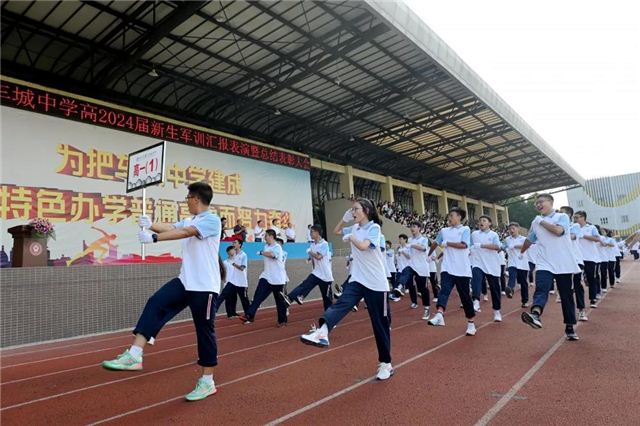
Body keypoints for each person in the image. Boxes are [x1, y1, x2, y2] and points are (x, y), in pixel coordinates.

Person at [101, 182, 222, 401]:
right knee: (156, 302)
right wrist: (151, 225)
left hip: (205, 287)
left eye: (187, 197)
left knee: (204, 331)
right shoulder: (192, 219)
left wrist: (154, 239)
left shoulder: (211, 220)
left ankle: (207, 381)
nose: (186, 201)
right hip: (186, 281)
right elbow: (174, 228)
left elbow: (186, 232)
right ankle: (134, 355)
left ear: (196, 199)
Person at [300, 198, 394, 380]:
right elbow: (335, 231)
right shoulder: (354, 227)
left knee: (380, 325)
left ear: (366, 210)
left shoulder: (374, 228)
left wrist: (351, 237)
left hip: (376, 283)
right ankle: (323, 332)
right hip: (358, 279)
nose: (352, 212)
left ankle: (386, 364)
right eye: (351, 210)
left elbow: (364, 246)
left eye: (355, 209)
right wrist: (344, 220)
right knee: (342, 303)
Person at [520, 194, 580, 341]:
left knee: (566, 295)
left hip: (563, 262)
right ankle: (535, 314)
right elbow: (530, 238)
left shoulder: (562, 217)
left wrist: (541, 221)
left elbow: (559, 231)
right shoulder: (535, 221)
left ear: (551, 202)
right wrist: (521, 252)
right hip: (544, 262)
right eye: (536, 203)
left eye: (541, 202)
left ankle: (570, 326)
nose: (538, 205)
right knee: (542, 288)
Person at [427, 207, 476, 336]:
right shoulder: (443, 231)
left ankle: (471, 323)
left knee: (465, 297)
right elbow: (436, 243)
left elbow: (464, 245)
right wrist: (429, 254)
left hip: (462, 269)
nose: (449, 218)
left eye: (452, 215)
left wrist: (448, 243)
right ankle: (439, 314)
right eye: (449, 215)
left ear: (459, 217)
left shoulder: (465, 229)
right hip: (447, 267)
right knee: (444, 290)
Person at [239, 229, 288, 326]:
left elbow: (273, 255)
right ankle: (249, 315)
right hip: (266, 276)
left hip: (277, 279)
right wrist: (263, 251)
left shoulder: (277, 247)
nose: (264, 237)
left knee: (279, 301)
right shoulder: (266, 246)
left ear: (271, 236)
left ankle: (282, 321)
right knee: (258, 296)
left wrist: (262, 252)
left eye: (265, 236)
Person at [282, 225, 334, 310]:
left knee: (327, 299)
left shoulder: (324, 244)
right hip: (316, 273)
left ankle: (330, 319)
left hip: (326, 276)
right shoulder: (312, 245)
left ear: (317, 233)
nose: (310, 234)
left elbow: (319, 257)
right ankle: (289, 298)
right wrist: (310, 260)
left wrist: (310, 252)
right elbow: (313, 259)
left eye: (311, 232)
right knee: (304, 285)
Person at [393, 222, 431, 319]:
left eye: (414, 227)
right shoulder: (409, 240)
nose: (412, 228)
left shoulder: (424, 239)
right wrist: (403, 251)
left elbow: (423, 249)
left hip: (421, 267)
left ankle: (427, 308)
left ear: (419, 228)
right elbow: (409, 255)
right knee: (406, 271)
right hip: (412, 265)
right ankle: (400, 286)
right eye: (411, 227)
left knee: (423, 289)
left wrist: (412, 245)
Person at [469, 216, 503, 322]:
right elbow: (470, 245)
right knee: (476, 279)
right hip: (477, 262)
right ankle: (476, 301)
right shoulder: (474, 234)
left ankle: (497, 311)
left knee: (494, 288)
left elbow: (497, 247)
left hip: (491, 264)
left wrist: (482, 245)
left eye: (484, 221)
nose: (481, 222)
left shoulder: (493, 234)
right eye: (480, 221)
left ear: (489, 223)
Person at [560, 206, 587, 321]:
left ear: (570, 215)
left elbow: (573, 236)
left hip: (576, 261)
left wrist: (558, 233)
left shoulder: (574, 226)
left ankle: (581, 310)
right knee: (567, 289)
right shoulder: (557, 227)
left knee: (576, 284)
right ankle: (570, 320)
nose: (559, 215)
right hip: (563, 261)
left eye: (563, 213)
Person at [574, 211, 602, 308]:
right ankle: (580, 305)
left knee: (591, 278)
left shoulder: (591, 228)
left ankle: (593, 298)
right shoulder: (574, 228)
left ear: (583, 217)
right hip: (578, 258)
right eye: (574, 217)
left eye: (577, 217)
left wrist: (583, 236)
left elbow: (597, 239)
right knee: (577, 279)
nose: (575, 219)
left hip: (590, 257)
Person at [216, 241, 250, 318]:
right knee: (223, 295)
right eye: (233, 243)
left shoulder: (243, 255)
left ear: (239, 245)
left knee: (244, 300)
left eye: (235, 243)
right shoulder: (232, 257)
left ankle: (248, 315)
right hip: (232, 281)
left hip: (241, 282)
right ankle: (214, 310)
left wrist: (233, 264)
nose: (233, 245)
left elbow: (242, 268)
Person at [502, 222, 530, 308]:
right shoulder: (507, 239)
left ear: (518, 229)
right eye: (510, 229)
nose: (511, 230)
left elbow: (526, 246)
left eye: (513, 228)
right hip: (512, 263)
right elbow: (503, 246)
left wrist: (514, 246)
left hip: (522, 263)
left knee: (523, 282)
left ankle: (525, 301)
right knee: (512, 276)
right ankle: (510, 289)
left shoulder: (523, 238)